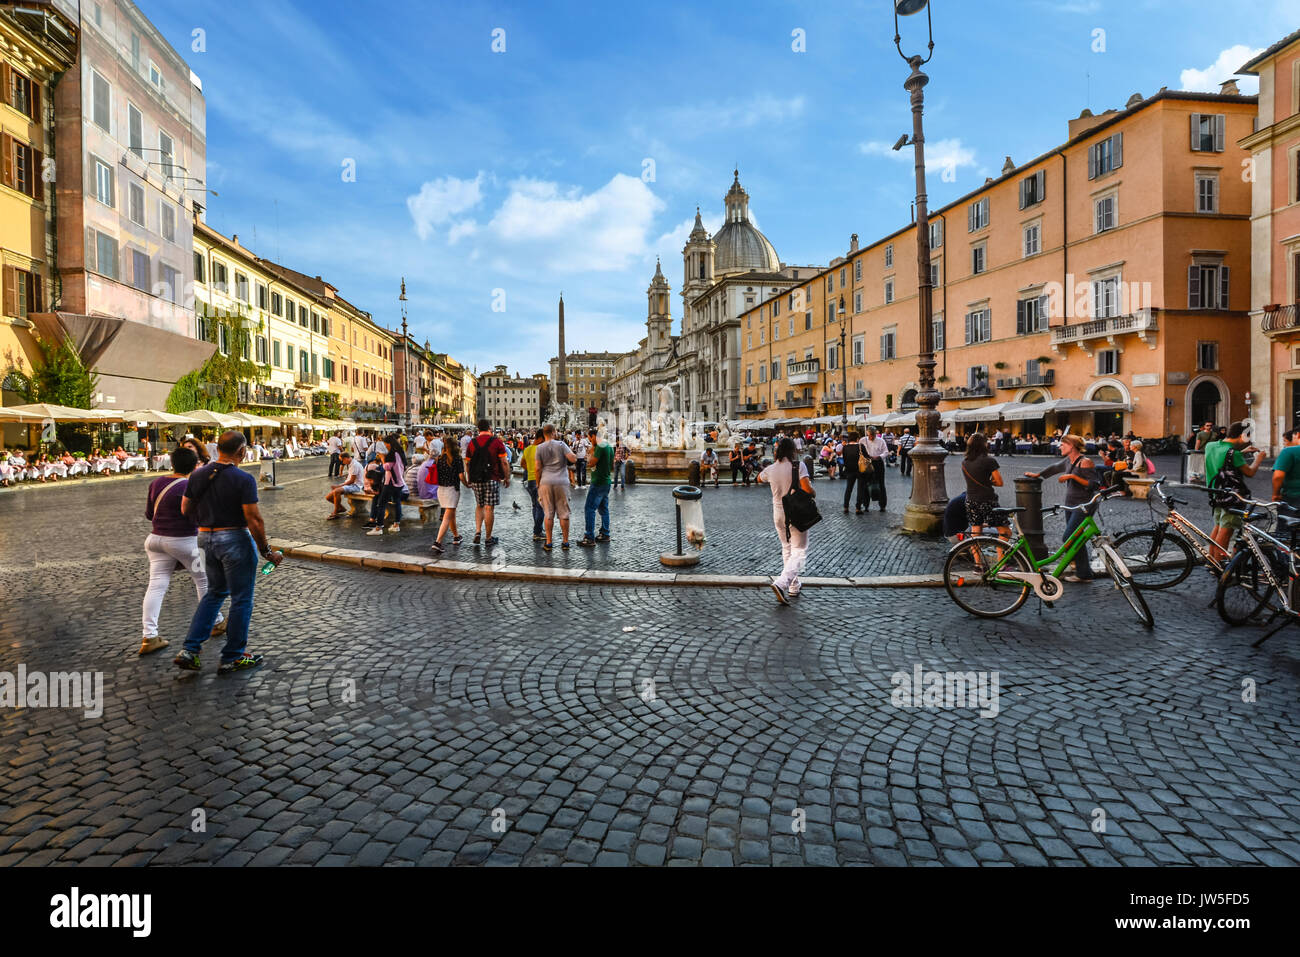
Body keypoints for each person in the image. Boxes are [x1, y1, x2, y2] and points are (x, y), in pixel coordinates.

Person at [174, 430, 281, 673]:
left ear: (218, 449)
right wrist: (267, 551)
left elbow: (185, 508)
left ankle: (190, 650)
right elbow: (254, 519)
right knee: (242, 598)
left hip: (205, 537)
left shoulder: (198, 475)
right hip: (234, 537)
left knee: (214, 593)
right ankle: (233, 656)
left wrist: (207, 517)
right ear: (242, 451)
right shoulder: (243, 479)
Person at [140, 446, 225, 655]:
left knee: (156, 586)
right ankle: (216, 622)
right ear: (195, 465)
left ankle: (149, 636)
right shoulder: (191, 486)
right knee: (204, 580)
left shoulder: (157, 482)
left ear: (172, 463)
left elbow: (150, 513)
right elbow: (199, 516)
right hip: (184, 541)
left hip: (155, 540)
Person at [1025, 434, 1100, 582]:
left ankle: (1082, 571)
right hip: (1070, 504)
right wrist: (1038, 475)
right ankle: (1084, 573)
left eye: (1062, 445)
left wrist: (1072, 477)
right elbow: (1054, 468)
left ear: (1071, 446)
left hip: (1084, 505)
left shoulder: (1085, 462)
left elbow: (1093, 484)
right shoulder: (1067, 461)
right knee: (1076, 537)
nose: (1060, 447)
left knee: (1069, 537)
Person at [758, 437, 814, 605]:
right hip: (795, 511)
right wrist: (813, 493)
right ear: (792, 451)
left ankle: (794, 585)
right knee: (800, 550)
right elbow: (806, 488)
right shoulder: (799, 466)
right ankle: (782, 583)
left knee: (787, 548)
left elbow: (759, 478)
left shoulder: (771, 469)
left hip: (778, 513)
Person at [1206, 423, 1265, 561]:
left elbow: (1223, 458)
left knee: (1218, 526)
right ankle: (1220, 566)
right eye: (1248, 437)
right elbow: (1249, 472)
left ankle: (1211, 561)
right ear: (1242, 436)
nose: (1249, 440)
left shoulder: (1211, 446)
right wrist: (1259, 459)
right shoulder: (1234, 454)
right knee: (1226, 530)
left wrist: (1242, 452)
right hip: (1231, 496)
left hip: (1216, 492)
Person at [463, 418, 510, 546]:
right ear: (489, 428)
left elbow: (467, 463)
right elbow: (504, 462)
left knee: (479, 505)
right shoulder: (497, 442)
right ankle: (488, 538)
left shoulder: (472, 443)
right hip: (492, 478)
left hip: (476, 479)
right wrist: (507, 477)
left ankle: (478, 531)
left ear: (478, 429)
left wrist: (469, 478)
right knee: (489, 508)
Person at [535, 423, 577, 551]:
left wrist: (538, 484)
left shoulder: (539, 448)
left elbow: (537, 468)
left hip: (546, 481)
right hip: (561, 481)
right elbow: (573, 459)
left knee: (548, 513)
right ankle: (565, 542)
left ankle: (548, 542)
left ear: (544, 434)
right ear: (554, 433)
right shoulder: (561, 445)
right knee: (563, 513)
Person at [961, 432, 1009, 538]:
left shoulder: (965, 462)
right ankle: (1001, 555)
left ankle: (976, 555)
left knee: (975, 532)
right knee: (1005, 532)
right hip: (987, 500)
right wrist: (990, 482)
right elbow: (999, 482)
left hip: (970, 500)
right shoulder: (989, 461)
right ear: (983, 445)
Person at [578, 428, 614, 546]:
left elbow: (591, 463)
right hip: (606, 481)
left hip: (598, 482)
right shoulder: (608, 446)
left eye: (590, 438)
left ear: (594, 436)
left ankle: (589, 537)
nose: (589, 441)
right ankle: (605, 533)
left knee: (589, 508)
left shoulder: (600, 446)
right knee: (604, 509)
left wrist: (590, 452)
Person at [365, 433, 407, 535]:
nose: (386, 446)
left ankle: (379, 528)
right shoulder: (400, 452)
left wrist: (383, 458)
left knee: (381, 504)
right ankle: (396, 525)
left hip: (391, 482)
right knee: (397, 502)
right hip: (399, 482)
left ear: (390, 443)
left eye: (386, 444)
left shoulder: (392, 454)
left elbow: (387, 467)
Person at [520, 429, 546, 541]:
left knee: (535, 505)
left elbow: (522, 464)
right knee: (541, 506)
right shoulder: (541, 449)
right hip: (539, 480)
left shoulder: (528, 449)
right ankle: (537, 532)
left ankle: (538, 529)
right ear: (540, 438)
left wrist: (530, 469)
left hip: (530, 480)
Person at [325, 450, 364, 519]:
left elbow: (352, 481)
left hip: (356, 486)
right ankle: (342, 509)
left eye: (342, 460)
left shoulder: (354, 465)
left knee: (337, 491)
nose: (342, 462)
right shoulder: (351, 464)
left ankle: (335, 512)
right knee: (328, 497)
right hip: (350, 484)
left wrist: (339, 486)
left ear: (346, 458)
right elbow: (351, 478)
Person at [861, 426, 888, 511]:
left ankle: (882, 505)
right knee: (866, 484)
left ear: (875, 434)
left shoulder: (881, 441)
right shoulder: (862, 440)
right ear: (867, 434)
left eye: (873, 435)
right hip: (867, 464)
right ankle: (866, 505)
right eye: (870, 435)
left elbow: (886, 452)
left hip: (878, 463)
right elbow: (859, 452)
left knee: (881, 484)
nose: (871, 437)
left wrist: (879, 457)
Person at [1271, 429, 1300, 508]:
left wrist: (1275, 494)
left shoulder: (1288, 451)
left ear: (1297, 434)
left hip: (1293, 497)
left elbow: (1278, 477)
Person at [841, 432, 868, 514]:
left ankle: (846, 507)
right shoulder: (860, 446)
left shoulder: (845, 447)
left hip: (849, 470)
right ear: (857, 438)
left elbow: (844, 459)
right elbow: (866, 457)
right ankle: (858, 508)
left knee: (848, 488)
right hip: (860, 470)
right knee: (860, 489)